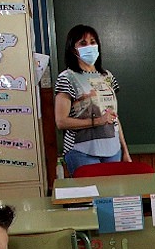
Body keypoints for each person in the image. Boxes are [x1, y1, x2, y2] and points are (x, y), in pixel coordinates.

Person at [54, 24, 131, 175]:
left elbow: (114, 117)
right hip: (81, 151)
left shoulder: (107, 76)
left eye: (93, 41)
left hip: (113, 150)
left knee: (111, 196)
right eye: (83, 43)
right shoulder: (67, 78)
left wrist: (125, 150)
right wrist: (97, 121)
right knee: (89, 197)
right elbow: (61, 122)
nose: (89, 46)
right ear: (72, 48)